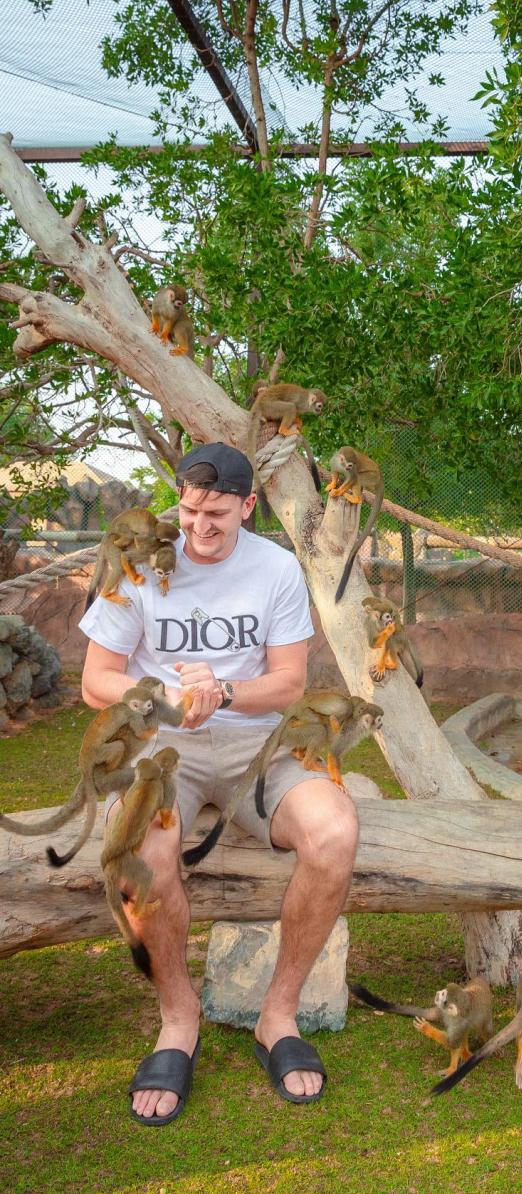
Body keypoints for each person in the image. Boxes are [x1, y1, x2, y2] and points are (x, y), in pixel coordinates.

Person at [80, 443, 358, 1123]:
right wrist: (166, 696)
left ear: (247, 507)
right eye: (190, 509)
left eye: (217, 514)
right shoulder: (143, 561)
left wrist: (226, 690)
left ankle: (278, 1015)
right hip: (160, 743)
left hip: (253, 742)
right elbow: (95, 681)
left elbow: (288, 683)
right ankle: (179, 1020)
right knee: (142, 861)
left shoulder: (274, 568)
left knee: (335, 832)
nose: (200, 526)